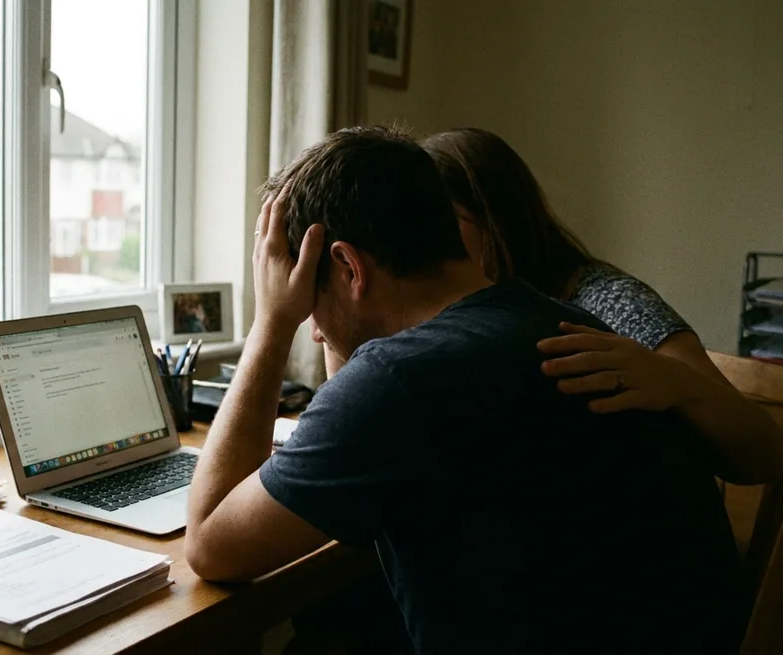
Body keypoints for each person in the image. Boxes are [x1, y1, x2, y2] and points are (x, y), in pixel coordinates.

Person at [185, 126, 746, 653]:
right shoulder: (560, 321)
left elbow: (210, 546)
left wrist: (271, 323)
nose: (310, 322)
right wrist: (335, 318)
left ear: (348, 267)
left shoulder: (401, 380)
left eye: (308, 295)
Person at [407, 127, 783, 487]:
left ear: (498, 220)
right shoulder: (457, 316)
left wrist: (677, 381)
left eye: (445, 224)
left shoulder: (610, 303)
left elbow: (765, 453)